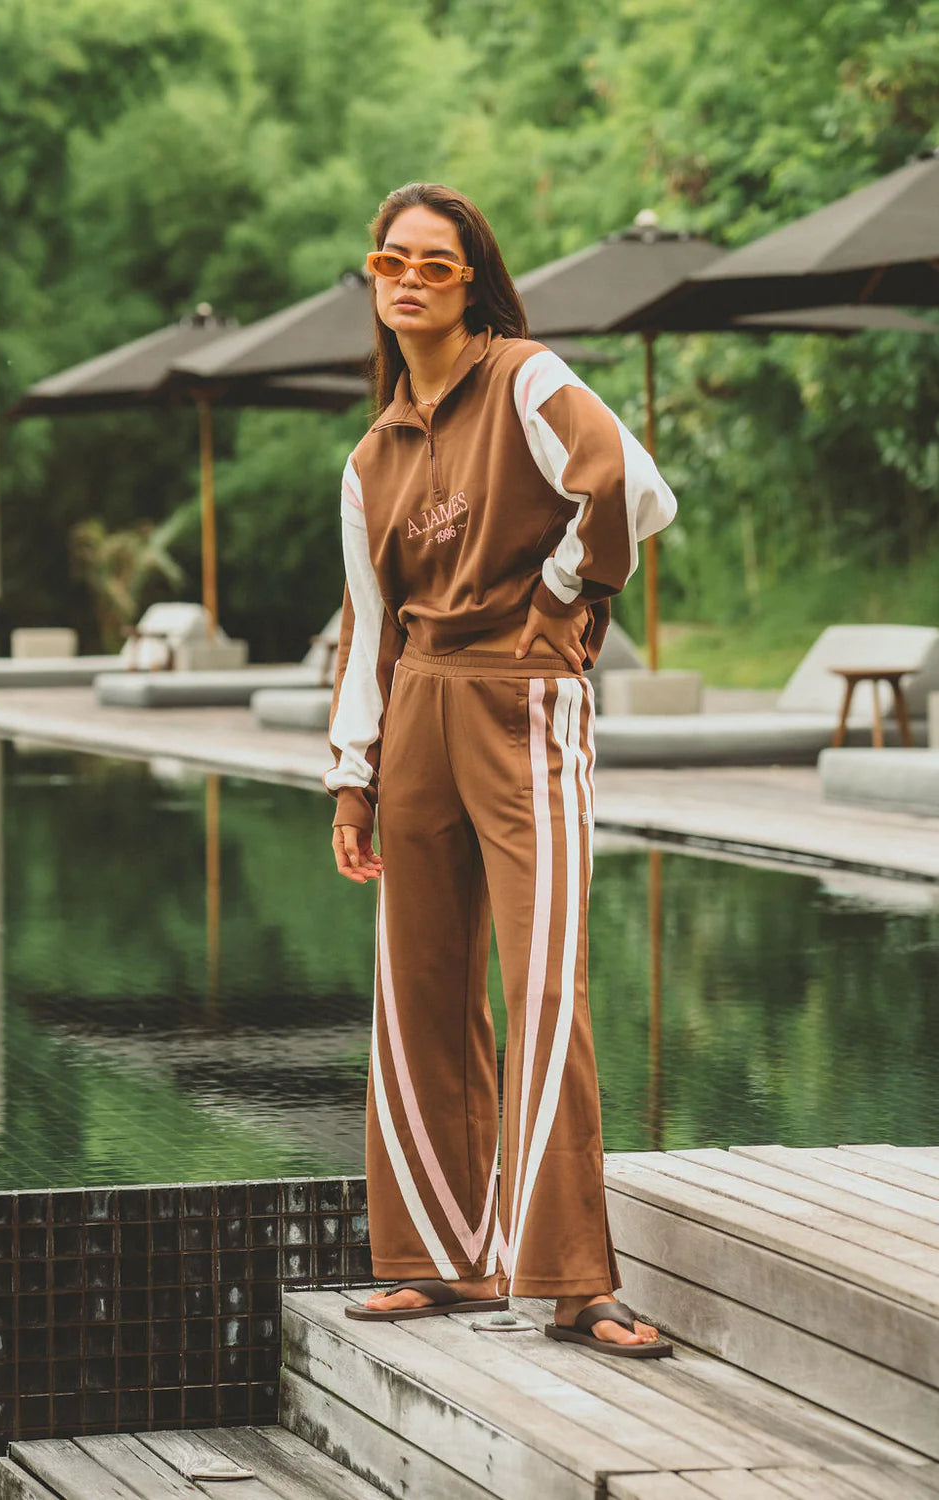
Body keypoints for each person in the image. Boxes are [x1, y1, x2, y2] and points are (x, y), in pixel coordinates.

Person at [325, 182, 676, 1358]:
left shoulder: (524, 376)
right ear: (373, 282)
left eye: (436, 260)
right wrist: (350, 773)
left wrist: (565, 600)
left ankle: (574, 1280)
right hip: (416, 708)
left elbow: (628, 486)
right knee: (417, 991)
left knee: (542, 985)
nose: (410, 275)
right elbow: (366, 625)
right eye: (391, 259)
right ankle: (436, 1259)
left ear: (471, 277)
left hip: (523, 702)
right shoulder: (369, 456)